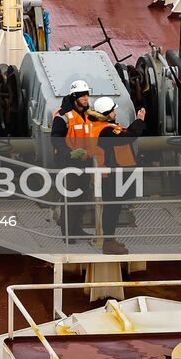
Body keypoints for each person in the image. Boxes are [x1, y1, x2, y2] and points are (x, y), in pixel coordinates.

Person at [88, 95, 146, 256]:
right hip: (109, 175)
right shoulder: (106, 131)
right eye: (113, 110)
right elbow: (129, 136)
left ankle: (110, 239)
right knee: (112, 208)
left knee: (113, 207)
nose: (115, 112)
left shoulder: (100, 126)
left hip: (108, 173)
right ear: (106, 113)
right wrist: (140, 120)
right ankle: (108, 243)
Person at [50, 79, 95, 238]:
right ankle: (68, 233)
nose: (86, 99)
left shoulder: (88, 114)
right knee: (71, 199)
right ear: (74, 97)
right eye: (83, 96)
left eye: (87, 95)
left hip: (85, 162)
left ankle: (77, 229)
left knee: (82, 197)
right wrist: (69, 152)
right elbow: (56, 139)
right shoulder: (63, 116)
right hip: (68, 164)